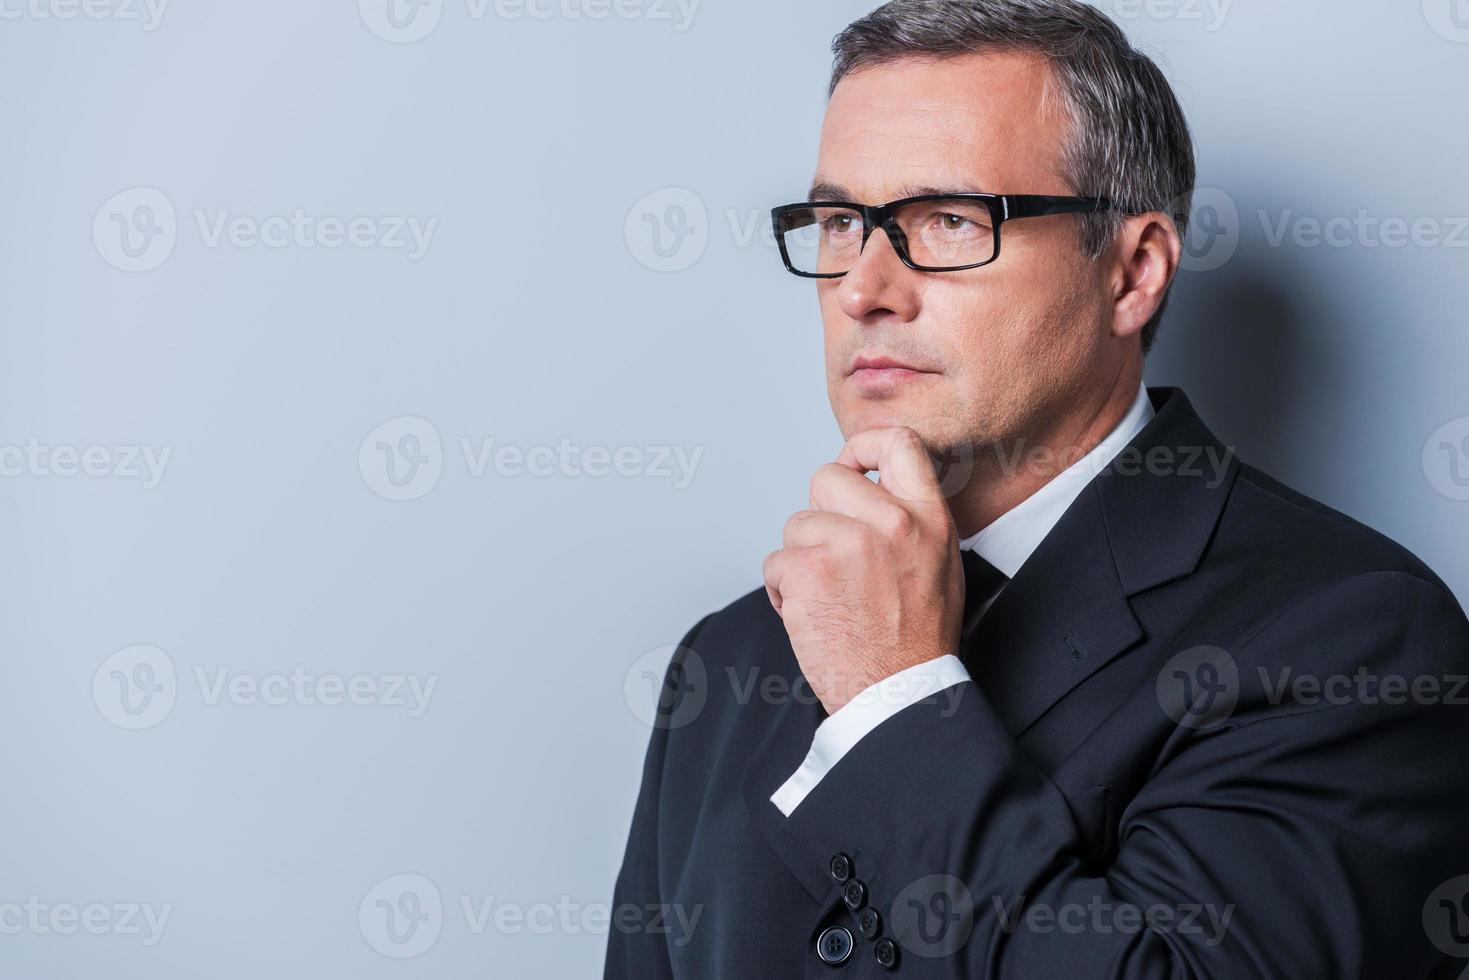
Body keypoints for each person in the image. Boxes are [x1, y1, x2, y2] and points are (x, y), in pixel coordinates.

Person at [605, 1, 1469, 975]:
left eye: (946, 219)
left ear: (1132, 271)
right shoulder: (728, 655)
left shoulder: (1352, 636)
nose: (863, 288)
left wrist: (891, 698)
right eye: (842, 222)